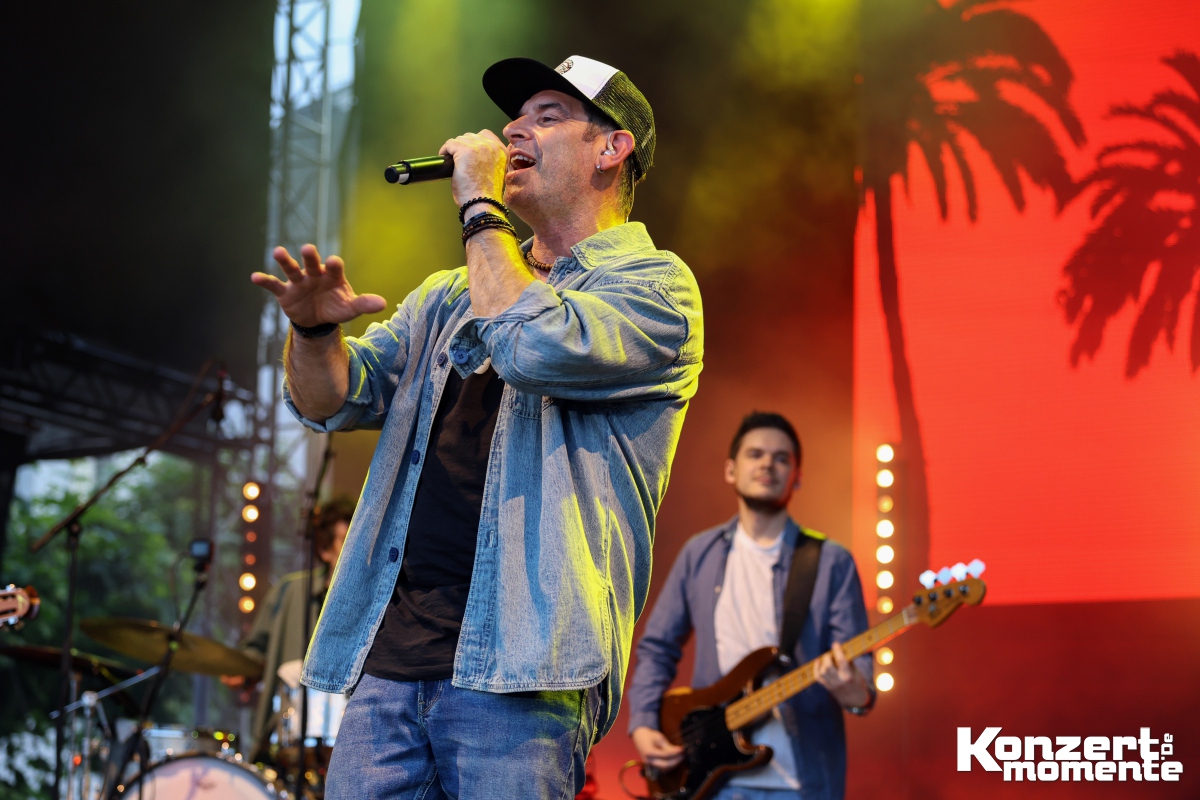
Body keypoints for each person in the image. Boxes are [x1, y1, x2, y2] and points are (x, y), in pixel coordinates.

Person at [249, 54, 703, 799]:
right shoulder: (447, 296)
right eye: (514, 117)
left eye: (548, 117)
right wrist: (314, 333)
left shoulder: (657, 289)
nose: (514, 130)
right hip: (388, 666)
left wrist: (478, 206)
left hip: (524, 672)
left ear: (612, 148)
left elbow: (535, 346)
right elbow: (331, 400)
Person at [626, 412, 873, 800]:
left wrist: (854, 691)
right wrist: (643, 723)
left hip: (802, 783)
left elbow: (861, 682)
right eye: (755, 454)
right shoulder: (699, 554)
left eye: (781, 458)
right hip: (714, 782)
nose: (767, 464)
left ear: (797, 476)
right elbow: (657, 647)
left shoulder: (831, 561)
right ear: (731, 469)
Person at [220, 496, 355, 757]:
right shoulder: (290, 591)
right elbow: (256, 651)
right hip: (286, 738)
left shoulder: (377, 600)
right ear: (325, 550)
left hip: (350, 742)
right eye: (345, 540)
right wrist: (241, 670)